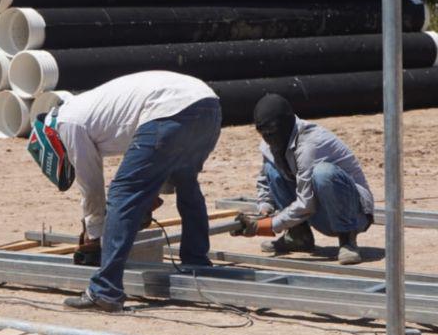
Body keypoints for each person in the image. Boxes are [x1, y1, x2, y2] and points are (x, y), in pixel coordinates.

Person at [28, 71, 222, 313]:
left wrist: (95, 232)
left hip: (169, 109)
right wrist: (146, 200)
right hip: (208, 107)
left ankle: (105, 291)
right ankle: (197, 264)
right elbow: (161, 162)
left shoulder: (68, 122)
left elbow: (92, 190)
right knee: (186, 183)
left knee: (121, 193)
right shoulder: (91, 109)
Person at [231, 93, 373, 265]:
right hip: (320, 210)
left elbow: (307, 204)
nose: (269, 138)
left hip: (354, 213)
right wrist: (264, 210)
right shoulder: (270, 145)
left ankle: (347, 239)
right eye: (264, 133)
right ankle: (298, 237)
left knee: (323, 173)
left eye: (272, 132)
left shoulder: (310, 143)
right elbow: (264, 181)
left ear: (285, 125)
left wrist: (264, 226)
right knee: (271, 169)